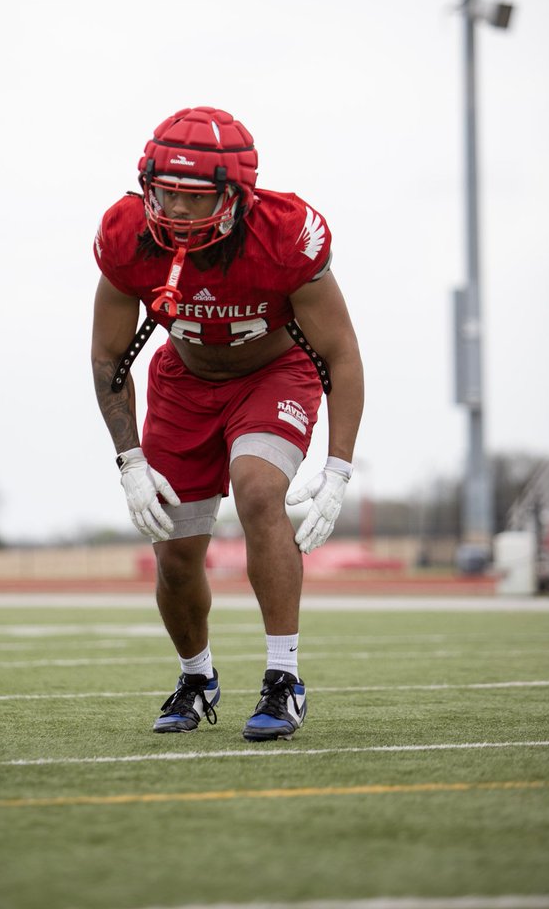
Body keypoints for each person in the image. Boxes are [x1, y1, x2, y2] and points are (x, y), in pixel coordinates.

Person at [92, 106, 364, 741]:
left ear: (237, 195)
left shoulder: (286, 233)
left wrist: (339, 468)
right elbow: (108, 355)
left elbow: (342, 353)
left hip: (274, 373)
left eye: (196, 197)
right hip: (184, 385)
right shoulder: (126, 234)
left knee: (258, 489)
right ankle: (196, 676)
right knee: (177, 551)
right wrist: (129, 460)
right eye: (165, 193)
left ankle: (283, 678)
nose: (177, 212)